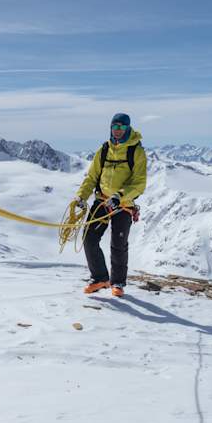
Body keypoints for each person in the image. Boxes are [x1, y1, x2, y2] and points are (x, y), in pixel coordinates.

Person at [74, 113, 147, 297]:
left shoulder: (136, 151)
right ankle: (99, 278)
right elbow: (92, 177)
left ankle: (118, 283)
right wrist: (81, 196)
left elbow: (139, 183)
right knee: (89, 238)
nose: (117, 130)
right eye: (115, 127)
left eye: (121, 127)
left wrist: (119, 196)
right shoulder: (104, 149)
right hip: (102, 201)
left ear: (128, 128)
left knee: (118, 245)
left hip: (123, 205)